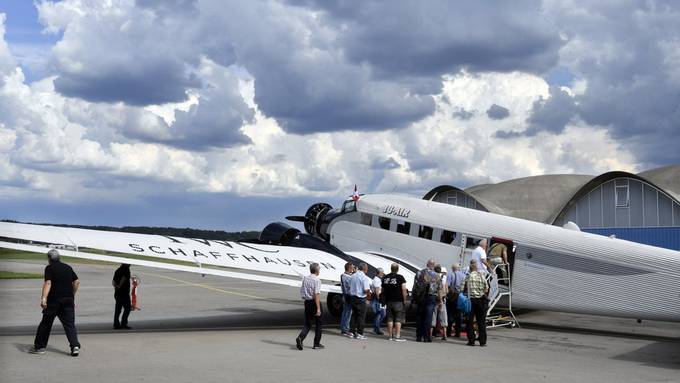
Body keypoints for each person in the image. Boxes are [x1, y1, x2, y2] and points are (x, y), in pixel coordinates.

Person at [30, 249, 81, 356]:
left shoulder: (49, 268)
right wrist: (72, 295)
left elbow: (48, 283)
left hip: (54, 301)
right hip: (68, 300)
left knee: (46, 324)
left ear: (49, 259)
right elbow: (76, 282)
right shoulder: (68, 267)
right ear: (59, 257)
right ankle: (74, 346)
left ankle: (40, 347)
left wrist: (44, 299)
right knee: (69, 324)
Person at [412, 259, 442, 342]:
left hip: (421, 297)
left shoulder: (419, 273)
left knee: (419, 316)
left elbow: (415, 286)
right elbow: (440, 289)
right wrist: (440, 301)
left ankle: (418, 336)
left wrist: (414, 298)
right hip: (431, 297)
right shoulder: (437, 275)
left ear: (427, 264)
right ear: (433, 265)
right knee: (428, 317)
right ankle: (426, 337)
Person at [295, 263, 324, 350]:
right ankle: (316, 344)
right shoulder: (317, 280)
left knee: (308, 323)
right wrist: (318, 308)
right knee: (319, 323)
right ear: (316, 270)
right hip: (314, 302)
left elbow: (302, 291)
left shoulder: (305, 279)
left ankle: (300, 338)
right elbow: (316, 294)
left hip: (307, 302)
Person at [464, 260, 490, 347]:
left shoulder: (468, 276)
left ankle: (471, 341)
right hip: (481, 301)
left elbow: (461, 288)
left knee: (470, 321)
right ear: (477, 268)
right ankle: (483, 342)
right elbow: (486, 288)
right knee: (481, 321)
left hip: (471, 300)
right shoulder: (482, 276)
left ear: (470, 269)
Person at [381, 263, 407, 341]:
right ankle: (397, 336)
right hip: (398, 301)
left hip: (388, 301)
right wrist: (405, 300)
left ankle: (390, 336)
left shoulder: (385, 277)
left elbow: (383, 290)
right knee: (398, 318)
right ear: (397, 269)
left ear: (391, 268)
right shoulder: (400, 277)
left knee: (389, 318)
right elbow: (404, 289)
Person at [349, 262, 371, 339]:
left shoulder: (353, 276)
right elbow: (365, 289)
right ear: (365, 268)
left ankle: (351, 332)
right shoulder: (364, 277)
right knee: (361, 316)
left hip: (353, 297)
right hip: (360, 298)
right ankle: (359, 333)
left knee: (354, 315)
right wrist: (369, 293)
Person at [446, 263, 466, 338]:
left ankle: (448, 332)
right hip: (460, 296)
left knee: (450, 314)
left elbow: (447, 285)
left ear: (453, 268)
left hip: (452, 296)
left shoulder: (450, 274)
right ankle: (458, 333)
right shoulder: (464, 276)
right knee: (459, 315)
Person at [112, 264, 132, 330]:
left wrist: (116, 287)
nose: (130, 265)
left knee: (118, 309)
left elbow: (113, 281)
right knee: (128, 308)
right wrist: (120, 286)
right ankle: (123, 323)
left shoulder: (117, 270)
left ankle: (116, 324)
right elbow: (124, 278)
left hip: (117, 293)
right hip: (124, 293)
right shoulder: (126, 270)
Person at [431, 264, 448, 340]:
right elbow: (446, 290)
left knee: (433, 317)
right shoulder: (444, 278)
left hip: (434, 299)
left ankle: (430, 334)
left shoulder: (432, 277)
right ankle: (445, 335)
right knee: (443, 317)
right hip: (442, 299)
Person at [340, 262, 354, 336]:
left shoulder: (343, 275)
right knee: (348, 313)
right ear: (349, 268)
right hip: (348, 296)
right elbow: (351, 286)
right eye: (352, 268)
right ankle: (346, 329)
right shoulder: (347, 276)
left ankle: (343, 328)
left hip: (345, 295)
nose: (353, 269)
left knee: (345, 312)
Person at [371, 268, 386, 335]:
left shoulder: (377, 279)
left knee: (380, 314)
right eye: (382, 273)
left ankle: (376, 328)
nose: (383, 274)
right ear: (379, 273)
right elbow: (377, 291)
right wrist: (380, 299)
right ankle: (376, 328)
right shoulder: (377, 280)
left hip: (378, 298)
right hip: (378, 299)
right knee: (381, 313)